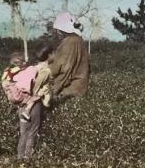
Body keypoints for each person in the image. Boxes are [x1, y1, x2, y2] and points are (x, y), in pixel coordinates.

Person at [16, 12, 90, 160]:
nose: (57, 33)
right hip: (79, 87)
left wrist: (46, 87)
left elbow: (60, 68)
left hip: (71, 89)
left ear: (62, 29)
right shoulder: (78, 40)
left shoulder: (70, 42)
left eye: (58, 30)